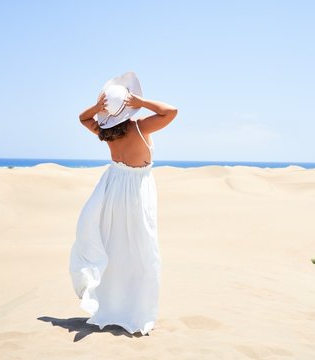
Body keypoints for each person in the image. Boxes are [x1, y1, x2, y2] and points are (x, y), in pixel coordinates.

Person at [69, 73, 178, 336]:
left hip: (112, 187)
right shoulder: (140, 127)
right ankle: (135, 311)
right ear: (128, 107)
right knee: (140, 250)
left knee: (114, 246)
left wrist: (97, 108)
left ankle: (113, 306)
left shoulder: (105, 130)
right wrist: (140, 101)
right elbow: (171, 111)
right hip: (137, 189)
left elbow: (83, 118)